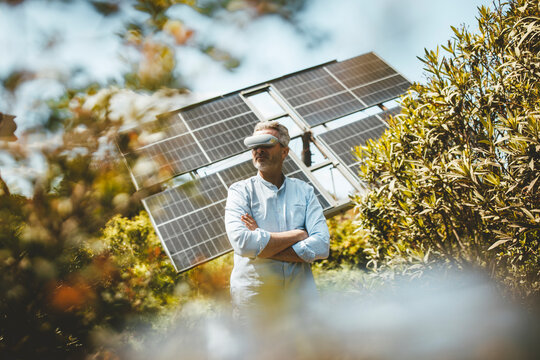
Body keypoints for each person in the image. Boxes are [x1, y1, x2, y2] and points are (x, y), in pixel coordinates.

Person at [224, 121, 330, 316]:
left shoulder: (304, 192)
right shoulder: (240, 192)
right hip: (255, 304)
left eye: (266, 144)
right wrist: (298, 235)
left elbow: (322, 245)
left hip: (301, 303)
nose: (259, 151)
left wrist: (262, 244)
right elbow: (243, 243)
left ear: (284, 152)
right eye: (255, 146)